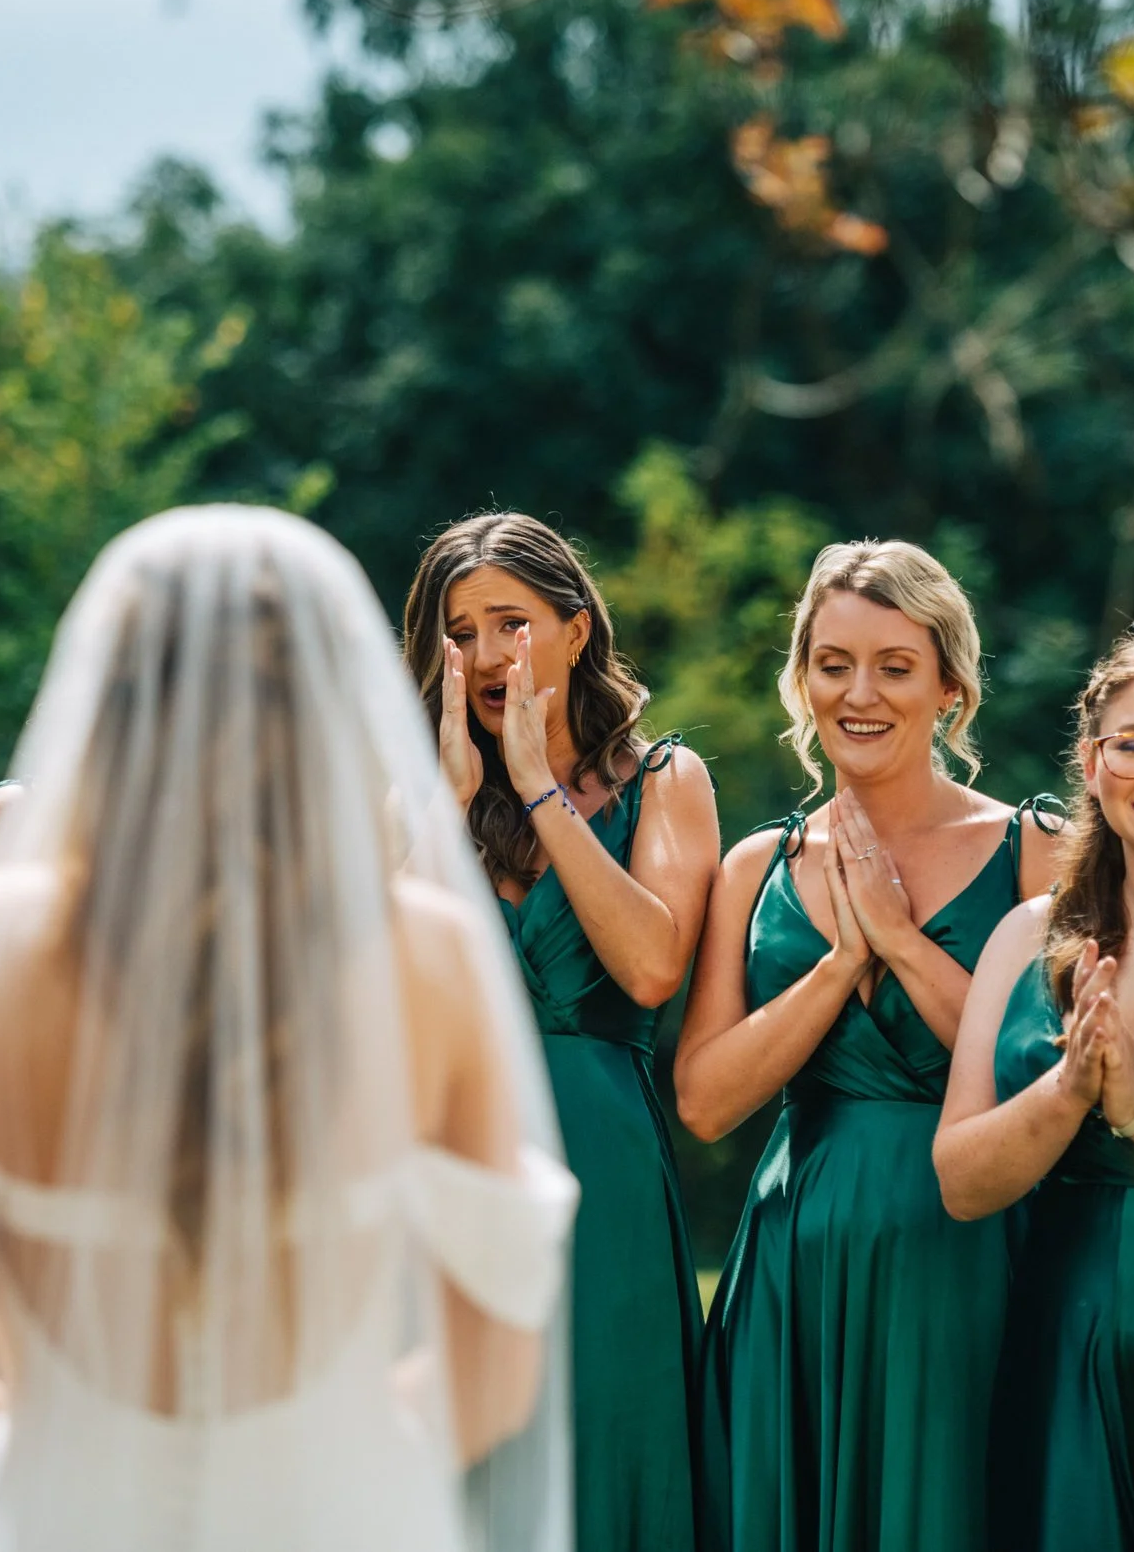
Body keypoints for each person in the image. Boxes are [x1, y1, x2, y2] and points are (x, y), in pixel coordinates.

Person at [0, 505, 579, 1552]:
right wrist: (339, 1459)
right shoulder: (428, 957)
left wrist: (59, 1466)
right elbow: (492, 1375)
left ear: (103, 703)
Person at [676, 539, 1054, 1552]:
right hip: (796, 1269)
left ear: (950, 688)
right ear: (800, 677)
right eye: (832, 662)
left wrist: (896, 937)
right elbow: (706, 1102)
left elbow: (1043, 1074)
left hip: (972, 1261)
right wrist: (840, 963)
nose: (860, 691)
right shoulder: (754, 866)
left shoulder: (1036, 851)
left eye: (894, 665)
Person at [398, 511, 718, 1552]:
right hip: (447, 1166)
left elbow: (650, 963)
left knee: (605, 1451)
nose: (487, 654)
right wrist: (445, 808)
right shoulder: (408, 797)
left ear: (575, 629)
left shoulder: (667, 780)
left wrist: (537, 785)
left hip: (604, 1175)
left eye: (510, 621)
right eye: (460, 630)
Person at [934, 625, 1134, 1552]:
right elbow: (961, 1179)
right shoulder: (1026, 937)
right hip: (1059, 1344)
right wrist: (1068, 1088)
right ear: (1091, 758)